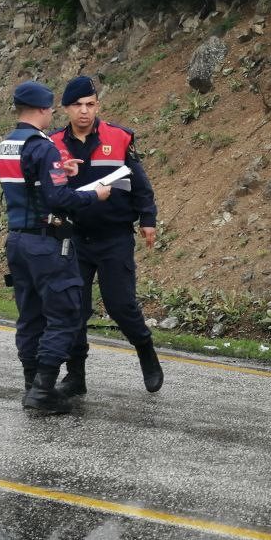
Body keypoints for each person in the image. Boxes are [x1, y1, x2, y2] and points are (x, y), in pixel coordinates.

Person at [0, 80, 112, 414]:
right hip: (45, 242)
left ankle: (31, 383)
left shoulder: (7, 144)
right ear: (44, 110)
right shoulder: (42, 146)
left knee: (29, 315)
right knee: (65, 314)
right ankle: (44, 389)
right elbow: (57, 198)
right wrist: (95, 194)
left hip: (16, 239)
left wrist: (63, 170)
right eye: (50, 110)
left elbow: (28, 184)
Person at [50, 75, 163, 396]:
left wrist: (148, 219)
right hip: (73, 238)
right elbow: (47, 188)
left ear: (97, 105)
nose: (84, 111)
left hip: (114, 237)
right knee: (75, 308)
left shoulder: (120, 137)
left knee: (120, 304)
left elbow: (140, 184)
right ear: (66, 109)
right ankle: (76, 376)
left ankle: (146, 352)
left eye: (90, 105)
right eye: (77, 106)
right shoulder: (53, 144)